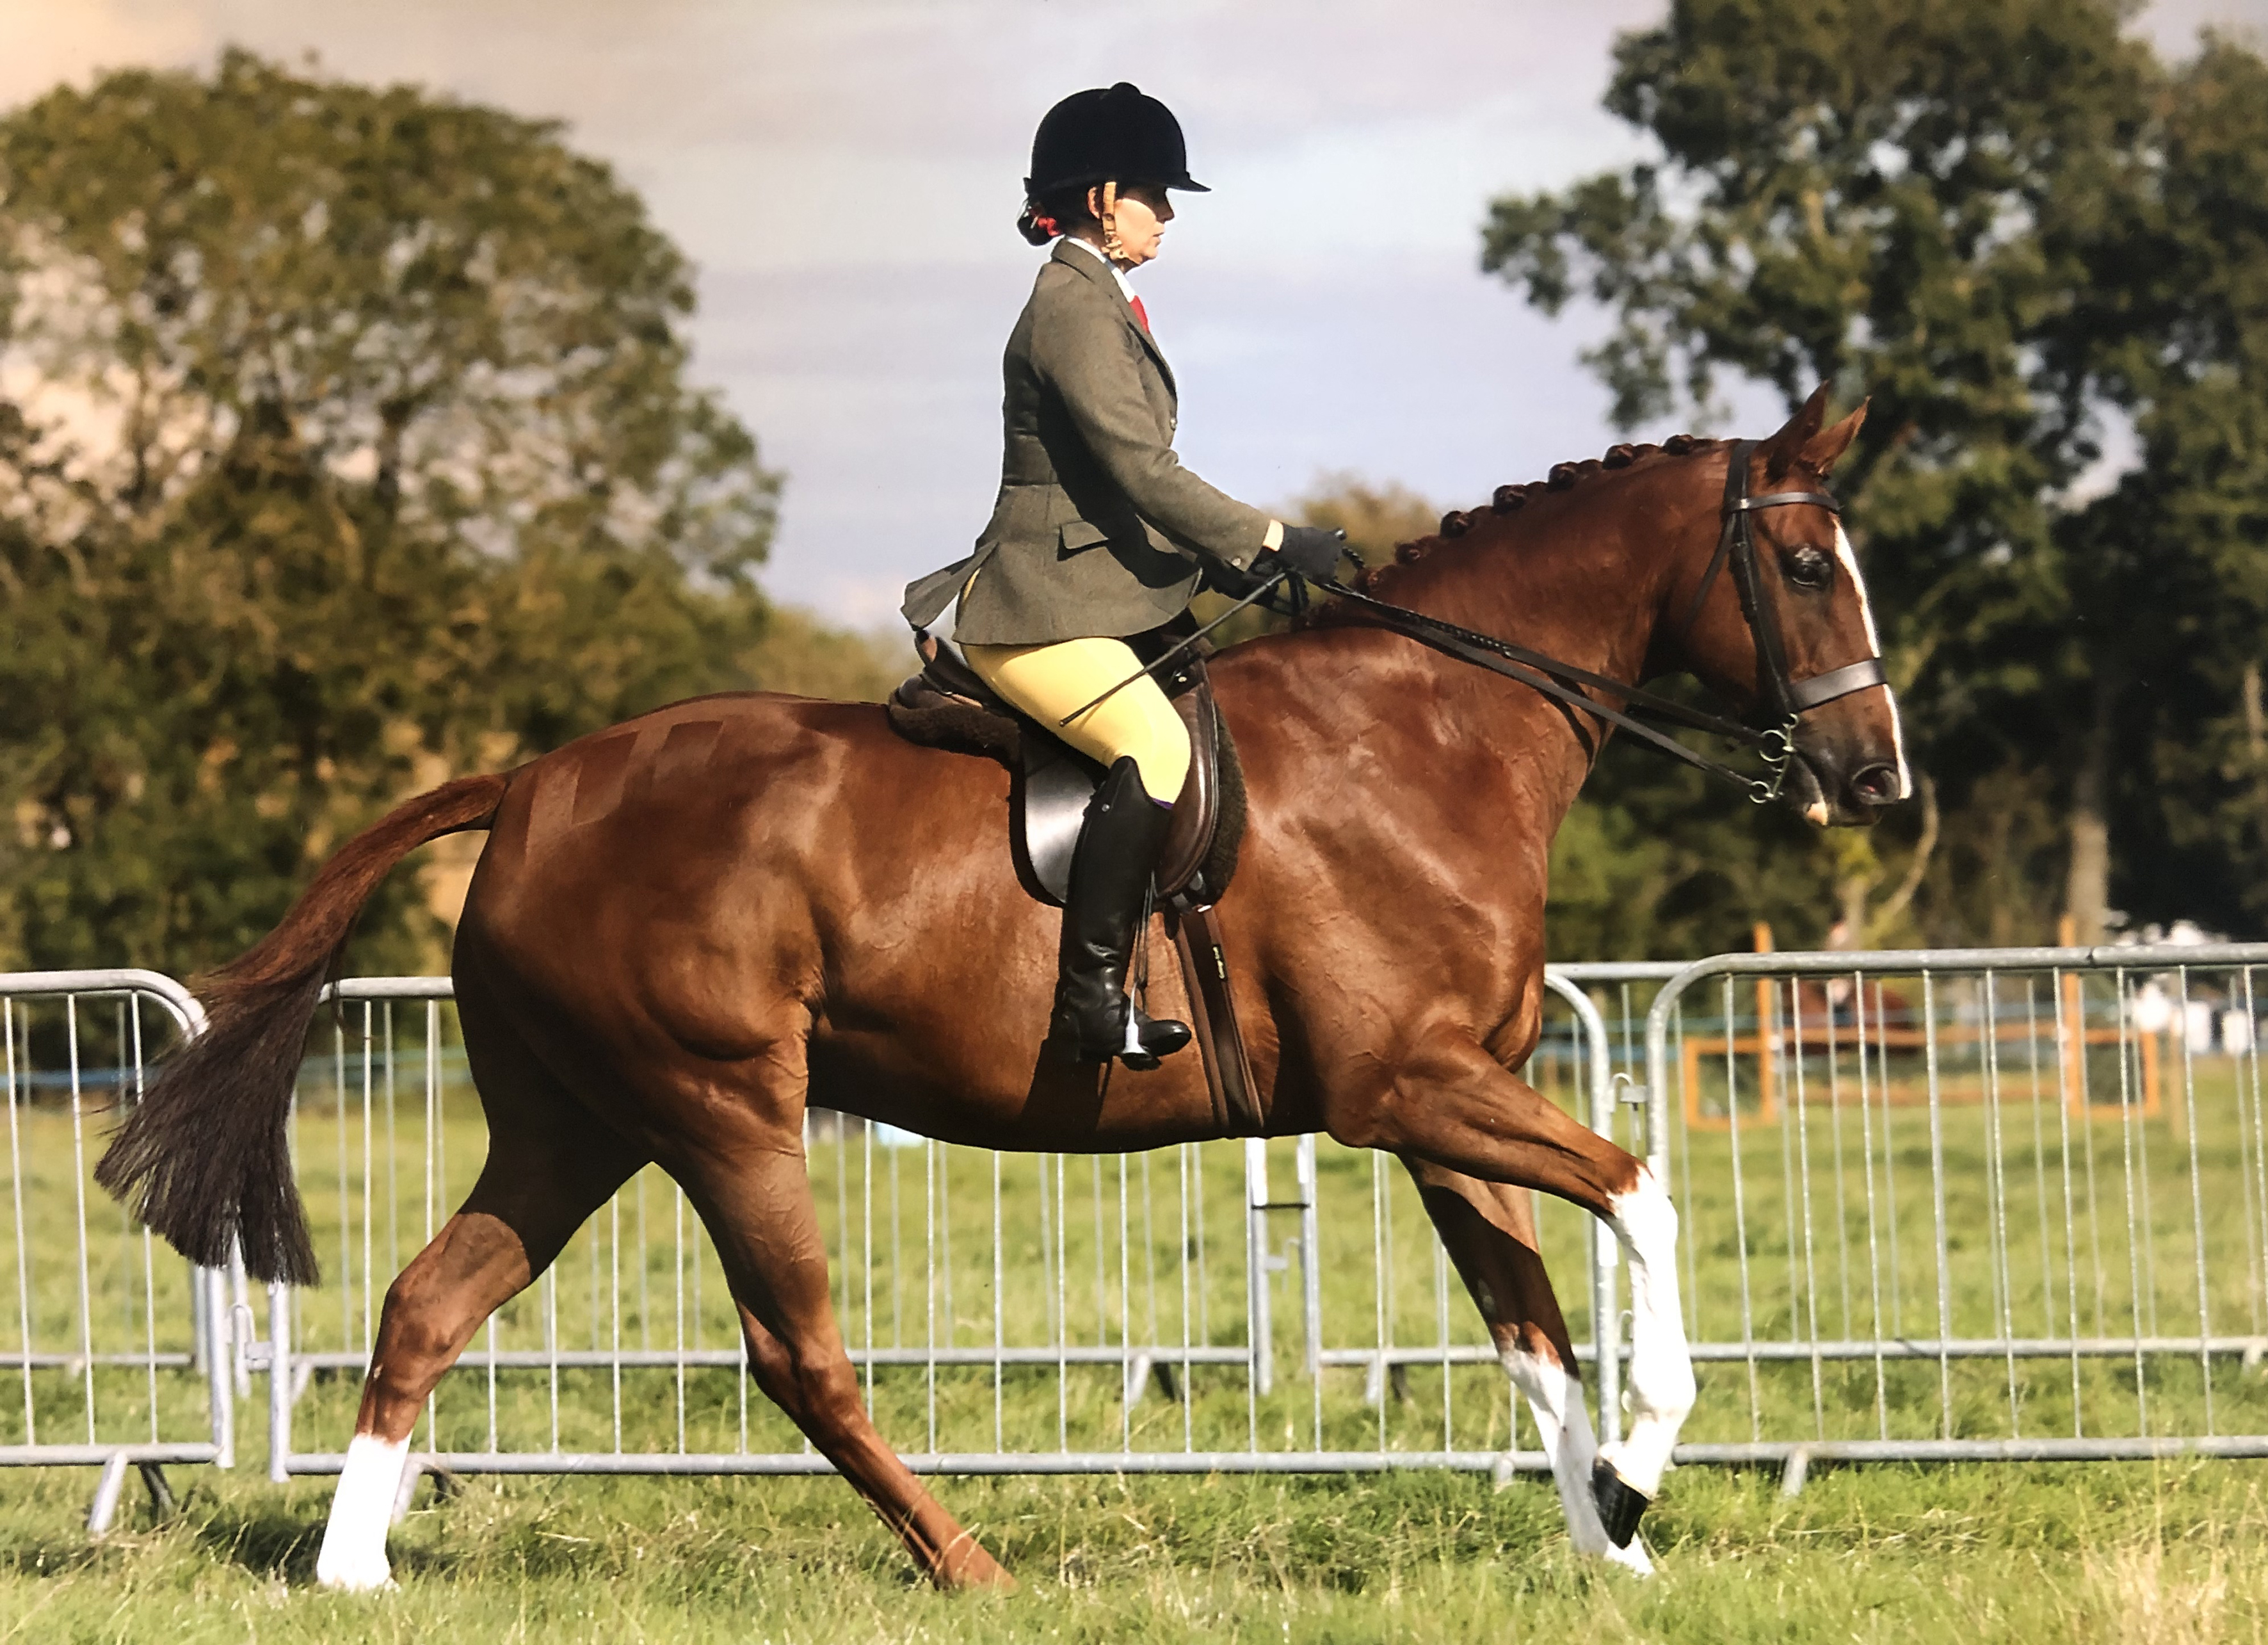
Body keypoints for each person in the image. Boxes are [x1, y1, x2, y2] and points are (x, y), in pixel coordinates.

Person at [902, 83, 1342, 1070]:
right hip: (1035, 610)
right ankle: (1090, 1000)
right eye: (1156, 193)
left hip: (1091, 593)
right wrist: (1268, 540)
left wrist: (1235, 575)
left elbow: (1119, 497)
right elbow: (1141, 469)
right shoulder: (1071, 305)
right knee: (1151, 741)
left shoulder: (1098, 298)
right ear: (1104, 196)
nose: (1170, 215)